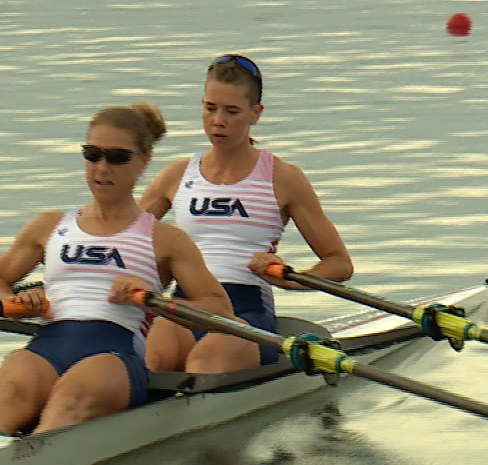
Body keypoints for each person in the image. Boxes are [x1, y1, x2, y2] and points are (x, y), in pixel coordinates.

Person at [0, 102, 234, 437]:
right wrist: (13, 304)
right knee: (9, 395)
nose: (102, 167)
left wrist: (150, 299)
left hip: (114, 356)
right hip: (47, 345)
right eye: (92, 154)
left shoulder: (165, 239)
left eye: (117, 157)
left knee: (70, 398)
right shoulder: (48, 226)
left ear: (143, 162)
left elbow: (219, 309)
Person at [138, 54, 353, 374]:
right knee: (152, 359)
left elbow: (339, 262)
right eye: (210, 108)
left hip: (247, 315)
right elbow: (120, 241)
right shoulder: (175, 175)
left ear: (256, 114)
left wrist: (291, 280)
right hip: (183, 306)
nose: (218, 121)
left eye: (231, 111)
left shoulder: (283, 178)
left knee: (203, 363)